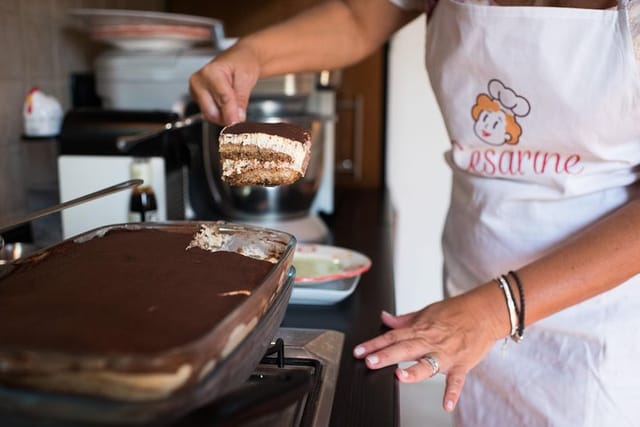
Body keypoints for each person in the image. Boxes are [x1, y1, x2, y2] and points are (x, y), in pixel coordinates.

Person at [189, 1, 640, 425]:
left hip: (595, 319)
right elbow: (357, 17)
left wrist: (496, 310)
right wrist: (250, 54)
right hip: (468, 294)